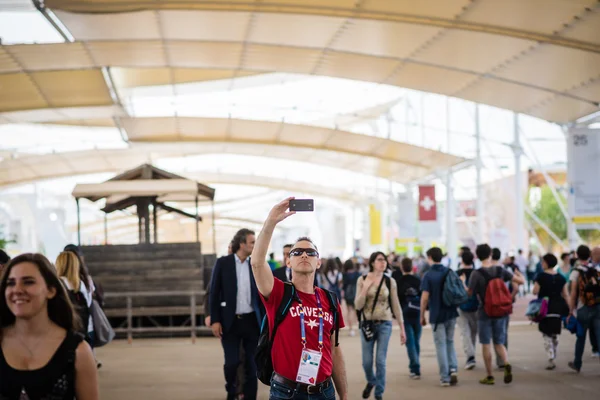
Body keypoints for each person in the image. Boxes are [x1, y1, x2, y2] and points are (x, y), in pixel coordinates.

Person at [251, 198, 348, 400]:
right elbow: (257, 263)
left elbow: (335, 350)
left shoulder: (330, 300)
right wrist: (270, 221)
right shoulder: (278, 293)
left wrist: (344, 395)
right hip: (286, 392)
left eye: (310, 252)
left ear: (318, 262)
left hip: (324, 391)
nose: (304, 255)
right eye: (297, 252)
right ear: (288, 260)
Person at [0, 253, 98, 399]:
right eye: (11, 283)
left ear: (51, 290)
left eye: (28, 282)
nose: (17, 290)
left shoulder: (78, 352)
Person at [210, 228, 264, 400]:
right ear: (241, 244)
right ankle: (232, 393)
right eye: (252, 242)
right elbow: (214, 292)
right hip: (229, 321)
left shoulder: (255, 264)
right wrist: (215, 320)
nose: (255, 246)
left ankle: (250, 397)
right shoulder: (223, 263)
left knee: (252, 364)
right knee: (232, 363)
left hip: (251, 322)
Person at [465, 244, 524, 385]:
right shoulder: (500, 270)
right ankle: (506, 362)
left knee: (486, 344)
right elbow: (520, 282)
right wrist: (519, 275)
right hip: (501, 311)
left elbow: (469, 293)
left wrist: (462, 284)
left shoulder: (476, 273)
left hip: (484, 311)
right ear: (490, 254)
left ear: (477, 256)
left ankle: (490, 376)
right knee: (499, 342)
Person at [355, 252, 405, 400]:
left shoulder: (390, 282)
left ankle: (379, 393)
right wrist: (365, 289)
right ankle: (371, 381)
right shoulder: (362, 279)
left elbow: (396, 305)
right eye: (380, 260)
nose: (383, 263)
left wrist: (402, 329)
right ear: (372, 263)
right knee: (367, 362)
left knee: (381, 361)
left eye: (384, 260)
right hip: (367, 325)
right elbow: (358, 305)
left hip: (385, 323)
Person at [420, 247, 459, 387]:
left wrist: (422, 315)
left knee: (440, 344)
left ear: (430, 257)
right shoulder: (449, 271)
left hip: (437, 314)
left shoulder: (428, 275)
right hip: (451, 312)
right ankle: (453, 368)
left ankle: (445, 377)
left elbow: (424, 298)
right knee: (449, 341)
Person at [533, 253, 569, 370]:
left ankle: (551, 357)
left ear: (547, 263)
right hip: (558, 307)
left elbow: (534, 291)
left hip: (545, 307)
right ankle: (554, 351)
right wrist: (570, 309)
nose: (542, 263)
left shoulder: (541, 276)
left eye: (543, 261)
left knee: (546, 333)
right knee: (554, 332)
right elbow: (565, 294)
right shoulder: (561, 278)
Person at [567, 245, 600, 373]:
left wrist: (571, 310)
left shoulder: (576, 271)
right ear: (589, 255)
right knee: (598, 335)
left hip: (583, 308)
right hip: (597, 306)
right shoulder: (596, 269)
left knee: (581, 337)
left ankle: (577, 363)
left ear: (577, 255)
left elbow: (573, 293)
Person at [395, 257, 422, 379]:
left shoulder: (398, 282)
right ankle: (415, 365)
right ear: (412, 267)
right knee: (416, 341)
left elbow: (396, 301)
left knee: (410, 341)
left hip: (404, 315)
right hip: (417, 313)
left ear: (401, 268)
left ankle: (415, 368)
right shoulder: (418, 280)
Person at [456, 251, 478, 370]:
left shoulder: (456, 274)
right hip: (476, 306)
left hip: (461, 306)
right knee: (473, 331)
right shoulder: (477, 273)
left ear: (462, 261)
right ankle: (471, 354)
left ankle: (470, 356)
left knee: (464, 331)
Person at [342, 259, 360, 337]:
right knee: (357, 310)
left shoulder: (344, 274)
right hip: (357, 293)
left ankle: (351, 329)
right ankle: (359, 326)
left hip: (348, 294)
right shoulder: (357, 273)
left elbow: (343, 286)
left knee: (349, 311)